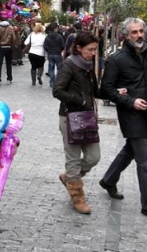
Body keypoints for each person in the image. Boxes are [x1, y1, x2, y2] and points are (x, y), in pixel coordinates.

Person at [98, 17, 147, 221]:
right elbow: (106, 89)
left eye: (141, 31)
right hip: (130, 113)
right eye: (134, 32)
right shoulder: (116, 59)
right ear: (126, 35)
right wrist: (130, 101)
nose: (139, 35)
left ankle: (108, 180)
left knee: (131, 149)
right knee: (145, 158)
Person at [53, 31, 102, 215]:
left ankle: (69, 178)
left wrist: (115, 92)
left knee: (93, 156)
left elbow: (95, 90)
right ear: (79, 48)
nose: (93, 53)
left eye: (95, 50)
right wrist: (80, 100)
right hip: (70, 117)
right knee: (73, 159)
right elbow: (57, 90)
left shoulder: (89, 65)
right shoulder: (69, 65)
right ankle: (77, 196)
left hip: (87, 118)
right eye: (90, 49)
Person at [0, 19, 18, 86]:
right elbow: (14, 38)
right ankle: (9, 79)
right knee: (8, 64)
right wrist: (12, 47)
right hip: (9, 47)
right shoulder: (11, 28)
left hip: (1, 48)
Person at [44, 23, 65, 87]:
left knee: (51, 68)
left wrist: (49, 50)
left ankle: (52, 82)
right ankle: (57, 81)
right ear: (55, 28)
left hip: (50, 54)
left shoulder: (47, 37)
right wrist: (60, 50)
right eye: (57, 28)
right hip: (58, 53)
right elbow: (62, 46)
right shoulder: (59, 36)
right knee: (59, 68)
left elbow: (45, 46)